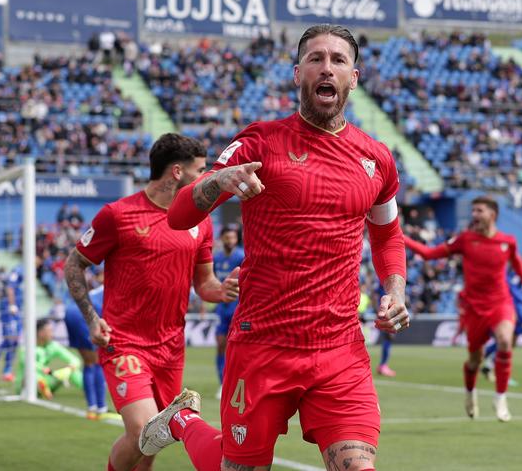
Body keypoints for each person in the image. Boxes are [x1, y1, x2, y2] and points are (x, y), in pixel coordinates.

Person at [139, 24, 410, 471]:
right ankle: (183, 422)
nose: (327, 68)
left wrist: (395, 290)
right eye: (316, 59)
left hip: (340, 346)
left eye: (338, 60)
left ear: (354, 77)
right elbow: (179, 215)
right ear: (297, 72)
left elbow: (386, 234)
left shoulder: (376, 157)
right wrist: (218, 180)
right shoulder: (260, 141)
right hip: (263, 344)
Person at [64, 133, 240, 471]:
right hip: (125, 342)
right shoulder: (118, 215)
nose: (206, 178)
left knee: (151, 445)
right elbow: (75, 263)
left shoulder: (200, 221)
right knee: (144, 429)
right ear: (177, 172)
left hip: (171, 348)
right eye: (201, 170)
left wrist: (223, 290)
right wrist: (91, 318)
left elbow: (204, 283)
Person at [404, 197, 522, 422]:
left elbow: (518, 263)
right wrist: (400, 237)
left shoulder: (508, 241)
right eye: (473, 210)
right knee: (475, 360)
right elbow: (428, 254)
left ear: (492, 214)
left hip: (500, 302)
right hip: (473, 308)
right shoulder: (465, 240)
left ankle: (500, 397)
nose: (474, 214)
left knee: (505, 340)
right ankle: (470, 393)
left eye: (479, 210)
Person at [64, 284, 112, 419]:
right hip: (84, 314)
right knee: (96, 362)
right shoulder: (120, 289)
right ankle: (101, 407)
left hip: (72, 311)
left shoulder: (104, 287)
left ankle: (92, 406)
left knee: (89, 362)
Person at [211, 224, 244, 400]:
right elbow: (212, 280)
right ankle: (223, 383)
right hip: (222, 307)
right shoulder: (217, 258)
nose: (230, 240)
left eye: (233, 237)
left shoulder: (242, 256)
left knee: (237, 348)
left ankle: (238, 383)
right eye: (227, 237)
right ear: (222, 238)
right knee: (221, 344)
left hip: (239, 307)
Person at [15, 318, 83, 399]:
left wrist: (69, 368)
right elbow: (30, 364)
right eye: (49, 331)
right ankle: (42, 387)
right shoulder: (26, 348)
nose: (52, 333)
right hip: (25, 385)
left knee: (72, 371)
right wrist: (46, 370)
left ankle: (89, 387)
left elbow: (75, 359)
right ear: (40, 333)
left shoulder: (53, 346)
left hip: (47, 378)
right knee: (33, 373)